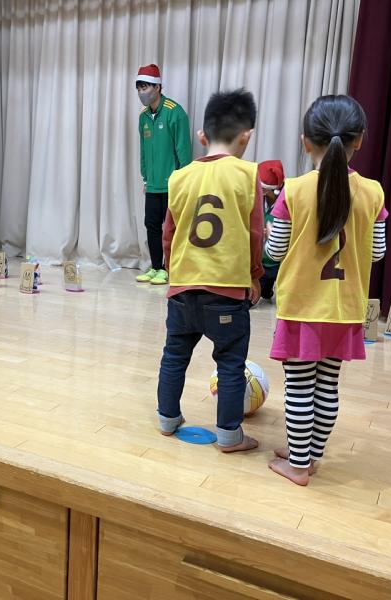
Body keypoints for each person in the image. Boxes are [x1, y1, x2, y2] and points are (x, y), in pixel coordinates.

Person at [265, 95, 387, 485]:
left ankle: (298, 465)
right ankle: (309, 456)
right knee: (327, 385)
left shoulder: (294, 190)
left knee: (299, 387)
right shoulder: (373, 192)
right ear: (360, 140)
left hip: (302, 307)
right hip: (346, 308)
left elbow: (274, 252)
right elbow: (378, 252)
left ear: (306, 142)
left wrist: (270, 234)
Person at [157, 89, 263, 452]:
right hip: (226, 292)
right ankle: (230, 436)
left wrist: (172, 272)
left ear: (202, 136)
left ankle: (167, 419)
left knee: (174, 356)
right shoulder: (248, 174)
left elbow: (168, 233)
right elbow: (255, 233)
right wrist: (255, 275)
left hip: (183, 289)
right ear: (246, 136)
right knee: (231, 363)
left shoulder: (179, 176)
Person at [136, 63, 192, 285]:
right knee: (151, 225)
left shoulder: (174, 112)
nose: (141, 93)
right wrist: (146, 177)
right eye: (139, 89)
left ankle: (171, 268)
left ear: (157, 87)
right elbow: (143, 150)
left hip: (172, 185)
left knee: (172, 229)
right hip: (152, 184)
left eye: (145, 88)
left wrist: (183, 181)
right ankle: (156, 267)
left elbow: (184, 151)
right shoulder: (143, 117)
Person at [257, 160, 285, 301]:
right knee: (263, 294)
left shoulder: (284, 202)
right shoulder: (261, 199)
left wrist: (271, 233)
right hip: (263, 259)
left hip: (279, 260)